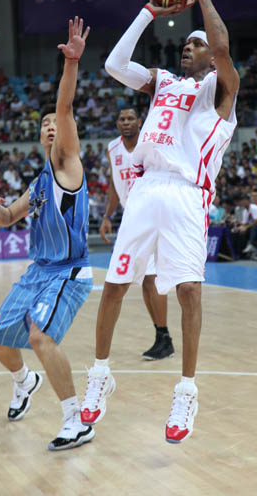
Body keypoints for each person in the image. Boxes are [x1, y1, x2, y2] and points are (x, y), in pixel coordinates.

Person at [80, 0, 239, 444]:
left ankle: (186, 390)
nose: (188, 48)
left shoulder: (222, 89)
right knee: (115, 285)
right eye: (186, 43)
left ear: (210, 55)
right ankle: (100, 374)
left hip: (189, 194)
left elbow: (222, 44)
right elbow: (112, 65)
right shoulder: (165, 82)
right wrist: (150, 8)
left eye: (196, 44)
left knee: (189, 292)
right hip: (146, 189)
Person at [0, 17, 95, 451]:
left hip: (69, 272)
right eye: (44, 123)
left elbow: (65, 108)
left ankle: (76, 419)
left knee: (39, 335)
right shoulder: (40, 183)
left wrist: (71, 65)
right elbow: (9, 218)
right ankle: (23, 381)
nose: (51, 125)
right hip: (37, 271)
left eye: (56, 123)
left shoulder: (68, 165)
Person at [100, 107, 174, 360]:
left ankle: (164, 337)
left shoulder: (151, 143)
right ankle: (162, 337)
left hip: (152, 215)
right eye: (122, 119)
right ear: (117, 124)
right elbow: (113, 184)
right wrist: (108, 216)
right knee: (144, 279)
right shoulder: (112, 148)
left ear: (140, 122)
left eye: (131, 118)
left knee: (151, 278)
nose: (126, 122)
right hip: (130, 218)